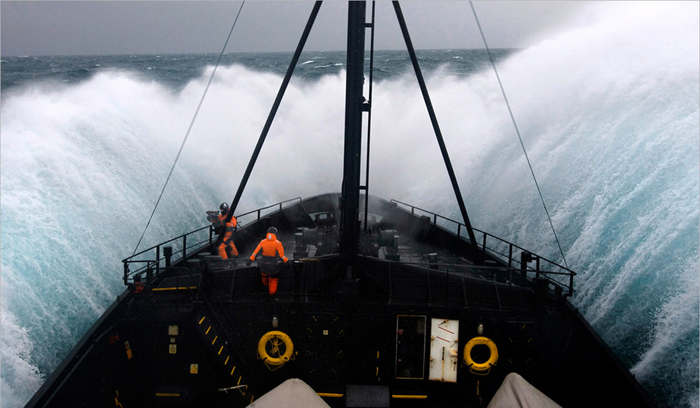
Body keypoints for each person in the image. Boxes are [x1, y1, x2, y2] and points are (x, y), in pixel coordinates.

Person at [247, 227, 288, 295]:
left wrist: (250, 260)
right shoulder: (278, 243)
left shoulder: (262, 242)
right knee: (273, 279)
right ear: (275, 234)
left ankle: (264, 289)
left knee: (264, 276)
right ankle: (271, 294)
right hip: (273, 265)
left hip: (263, 265)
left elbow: (255, 253)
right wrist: (286, 261)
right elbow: (281, 256)